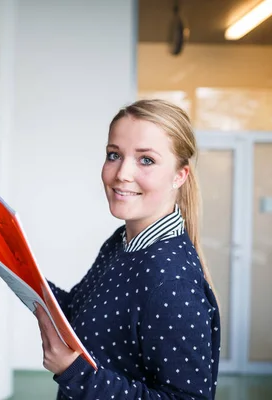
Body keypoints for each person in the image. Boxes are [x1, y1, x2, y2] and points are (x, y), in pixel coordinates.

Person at [34, 99, 221, 399]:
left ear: (179, 175)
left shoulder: (171, 281)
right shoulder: (122, 241)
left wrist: (75, 372)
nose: (122, 173)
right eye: (114, 155)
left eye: (146, 159)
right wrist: (21, 272)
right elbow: (84, 315)